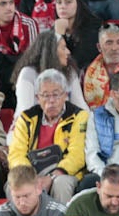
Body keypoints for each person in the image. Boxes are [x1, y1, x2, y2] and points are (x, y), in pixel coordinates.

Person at [5, 67, 87, 203]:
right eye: (46, 95)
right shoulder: (26, 118)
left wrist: (54, 176)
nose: (51, 101)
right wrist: (30, 178)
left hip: (63, 172)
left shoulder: (79, 116)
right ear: (37, 98)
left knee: (61, 184)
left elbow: (77, 155)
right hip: (32, 171)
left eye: (56, 94)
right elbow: (16, 153)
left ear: (66, 95)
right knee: (13, 185)